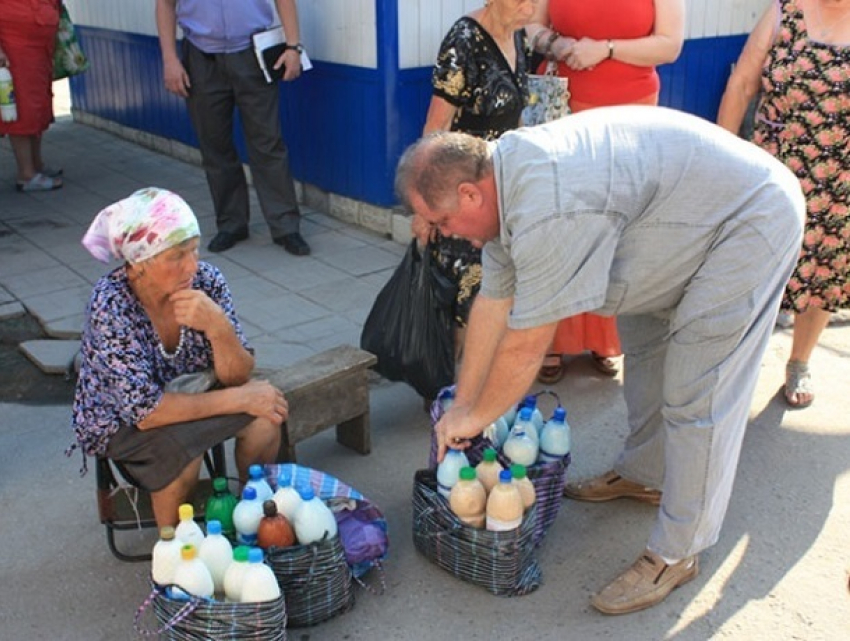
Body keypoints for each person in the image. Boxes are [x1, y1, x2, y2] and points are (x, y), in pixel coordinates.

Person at [397, 106, 804, 614]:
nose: (445, 233)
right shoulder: (504, 187)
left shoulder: (547, 205)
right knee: (649, 355)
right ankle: (646, 473)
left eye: (442, 221)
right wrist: (465, 399)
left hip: (747, 221)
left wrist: (475, 419)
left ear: (469, 194)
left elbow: (526, 344)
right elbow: (492, 305)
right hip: (681, 224)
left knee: (698, 393)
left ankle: (679, 551)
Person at [68, 187, 286, 529]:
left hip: (192, 392)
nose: (192, 266)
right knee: (183, 451)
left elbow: (237, 376)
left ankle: (256, 518)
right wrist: (238, 398)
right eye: (176, 256)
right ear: (139, 263)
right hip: (122, 419)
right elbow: (145, 412)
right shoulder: (111, 304)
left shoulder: (207, 281)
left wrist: (219, 328)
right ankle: (173, 552)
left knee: (266, 416)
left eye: (194, 250)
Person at [524, 0, 685, 383]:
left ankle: (605, 337)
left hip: (632, 115)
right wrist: (556, 45)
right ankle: (553, 337)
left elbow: (670, 45)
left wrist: (607, 48)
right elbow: (530, 26)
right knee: (563, 223)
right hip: (563, 109)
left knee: (617, 230)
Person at [717, 0, 849, 409]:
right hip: (773, 174)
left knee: (823, 274)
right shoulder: (785, 10)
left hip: (840, 183)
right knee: (751, 272)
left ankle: (799, 361)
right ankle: (731, 363)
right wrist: (720, 159)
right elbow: (742, 84)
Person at [411, 0, 533, 386]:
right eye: (521, 0)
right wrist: (426, 205)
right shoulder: (463, 39)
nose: (529, 7)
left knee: (495, 292)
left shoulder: (517, 34)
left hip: (502, 193)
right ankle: (449, 389)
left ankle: (476, 384)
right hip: (461, 197)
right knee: (462, 299)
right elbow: (437, 125)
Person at [155, 0, 310, 256]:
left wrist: (293, 46)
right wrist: (170, 60)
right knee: (214, 144)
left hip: (252, 53)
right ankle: (232, 224)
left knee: (267, 142)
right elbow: (165, 4)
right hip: (201, 58)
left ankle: (285, 226)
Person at [0, 0, 63, 192]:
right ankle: (26, 174)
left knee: (39, 102)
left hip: (39, 40)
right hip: (14, 42)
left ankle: (36, 165)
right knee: (22, 105)